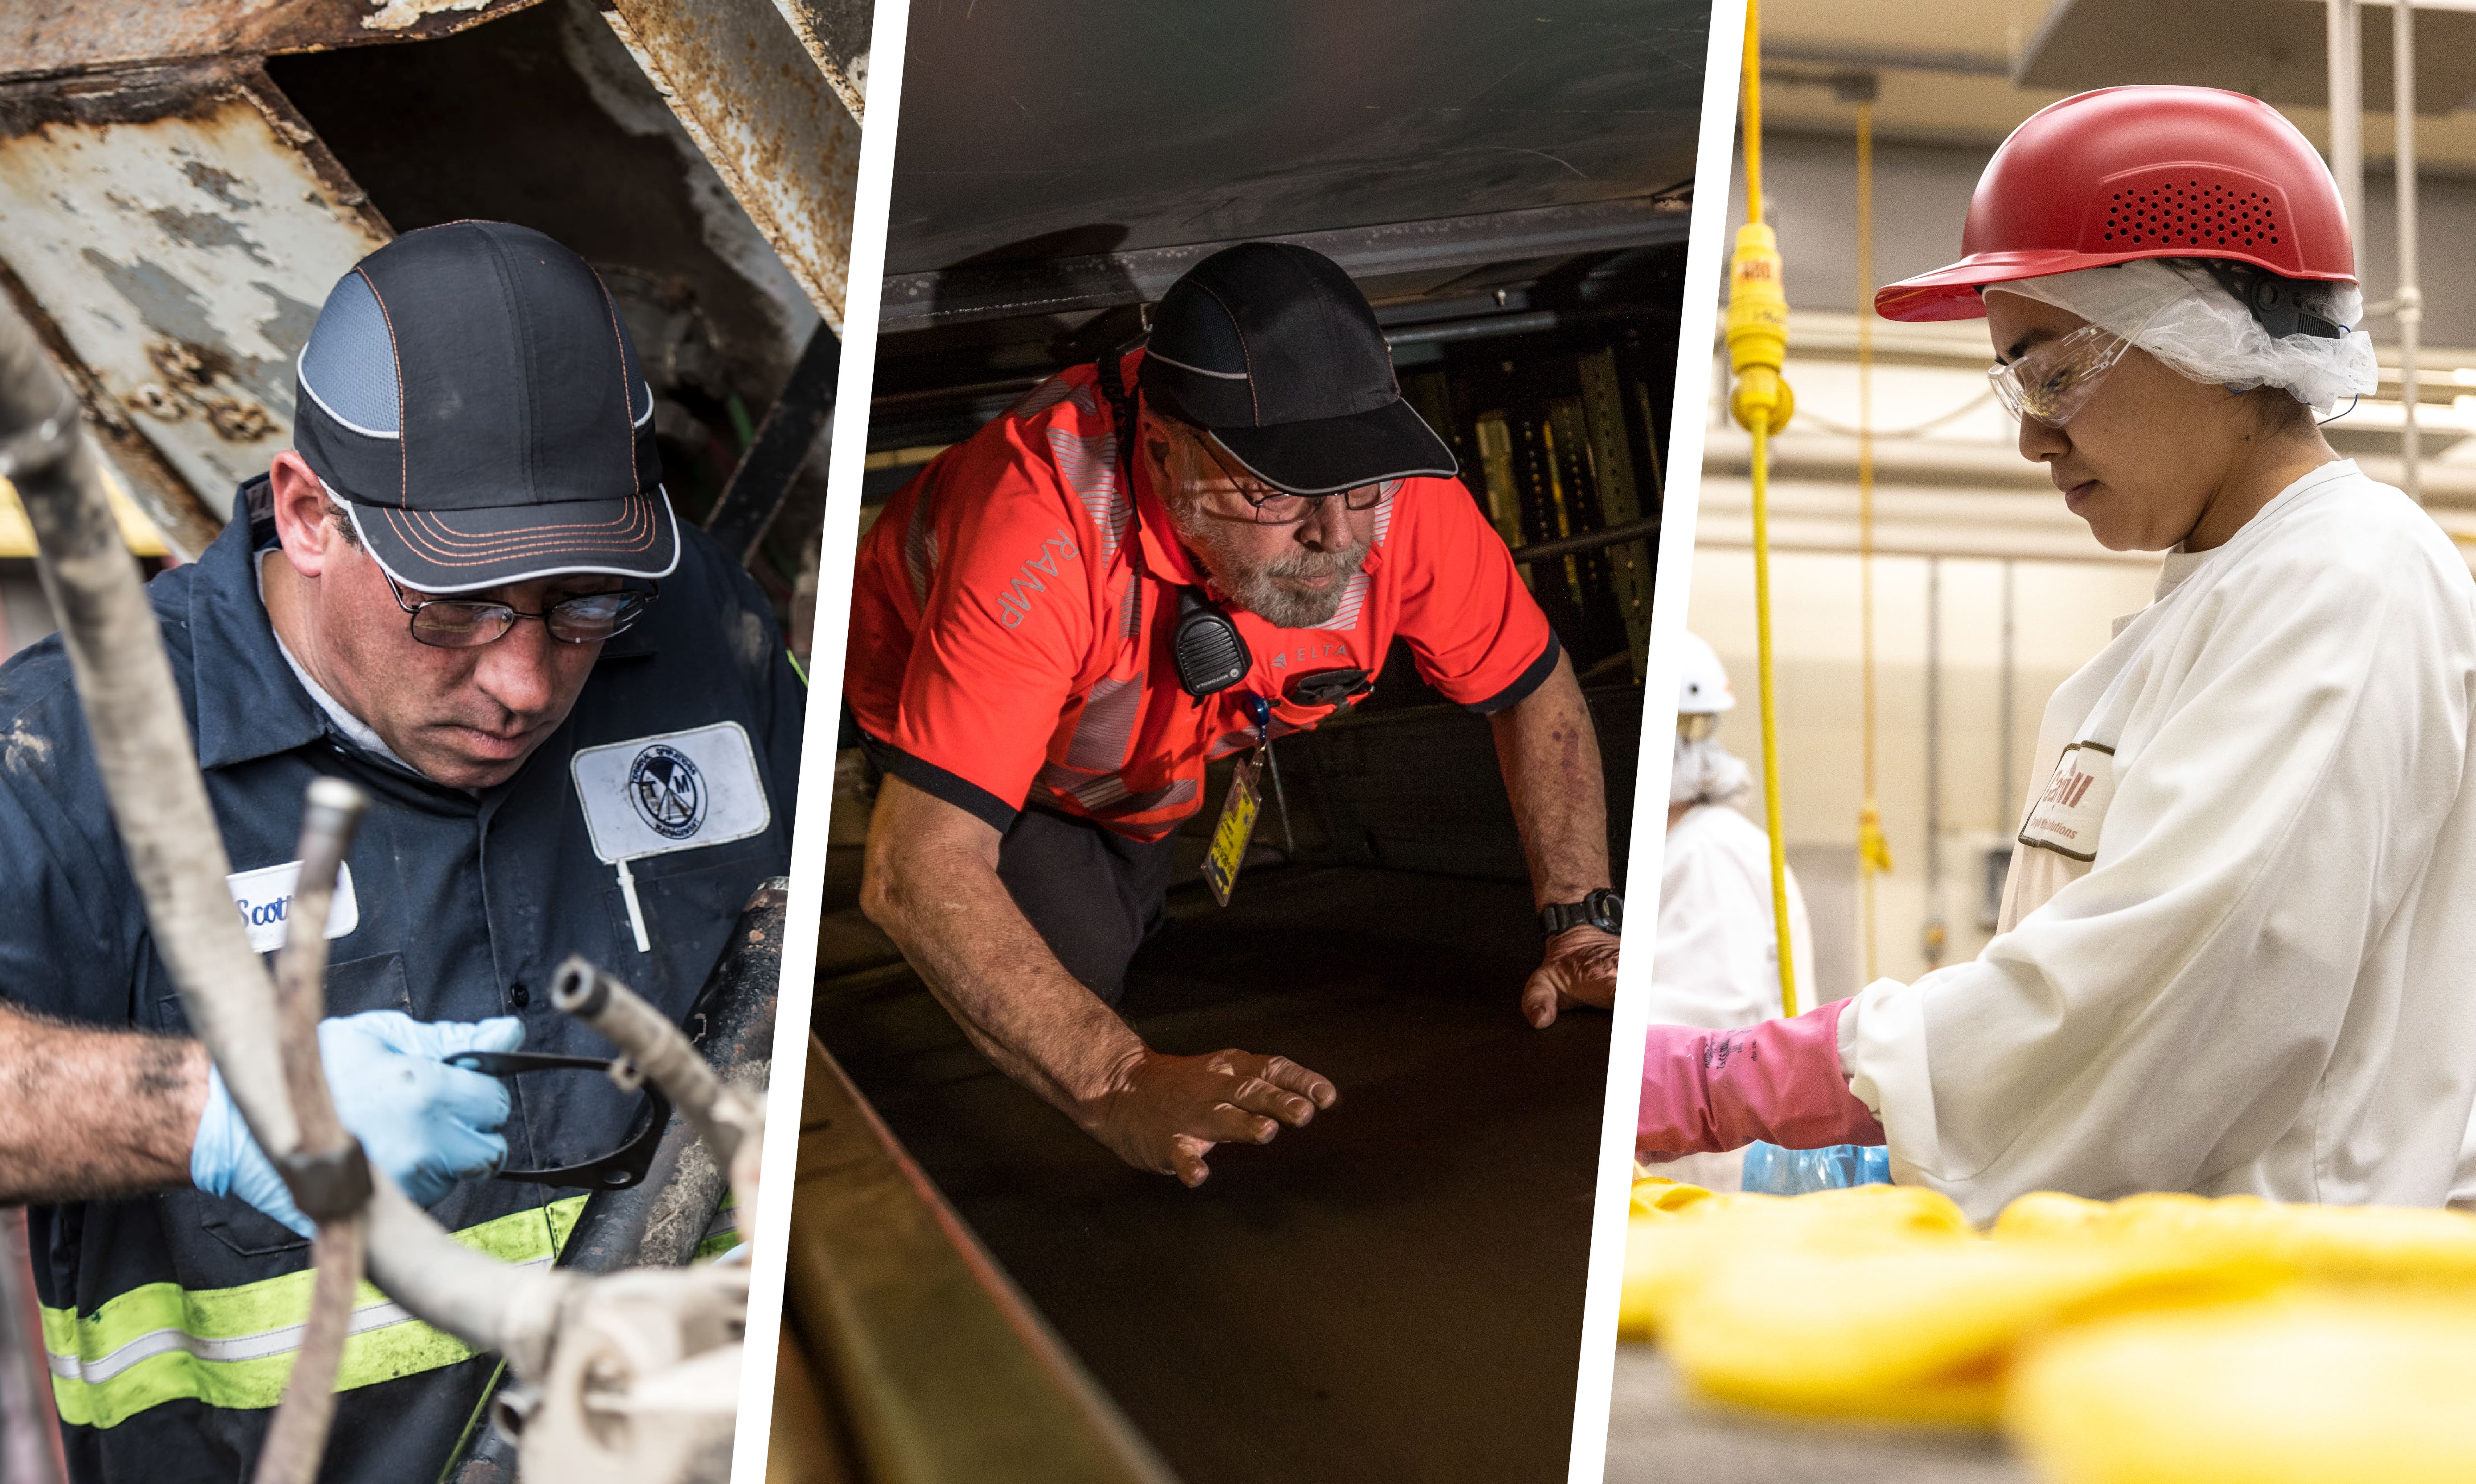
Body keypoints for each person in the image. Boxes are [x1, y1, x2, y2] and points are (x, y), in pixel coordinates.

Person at [0, 221, 802, 1478]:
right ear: (313, 514)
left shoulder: (700, 625)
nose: (527, 680)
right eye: (458, 606)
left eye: (586, 600)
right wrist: (222, 1113)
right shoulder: (76, 750)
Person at [1639, 85, 2476, 1222]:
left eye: (2050, 371)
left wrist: (1767, 1077)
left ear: (2201, 332)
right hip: (2180, 1277)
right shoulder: (2218, 599)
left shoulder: (2343, 578)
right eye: (2017, 385)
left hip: (2284, 1308)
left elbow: (2164, 986)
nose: (2031, 435)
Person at [847, 242, 1624, 1188]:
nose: (1334, 537)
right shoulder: (1037, 528)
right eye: (1275, 489)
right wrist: (1114, 1078)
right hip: (995, 747)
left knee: (1133, 888)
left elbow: (1531, 690)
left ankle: (1128, 869)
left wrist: (1581, 924)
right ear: (1165, 449)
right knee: (1081, 965)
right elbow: (914, 864)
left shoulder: (1398, 503)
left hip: (1155, 766)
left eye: (1355, 487)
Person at [1645, 633, 1810, 1191]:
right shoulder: (1685, 847)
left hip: (1708, 1178)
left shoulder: (1708, 852)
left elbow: (1703, 1025)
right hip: (1683, 1170)